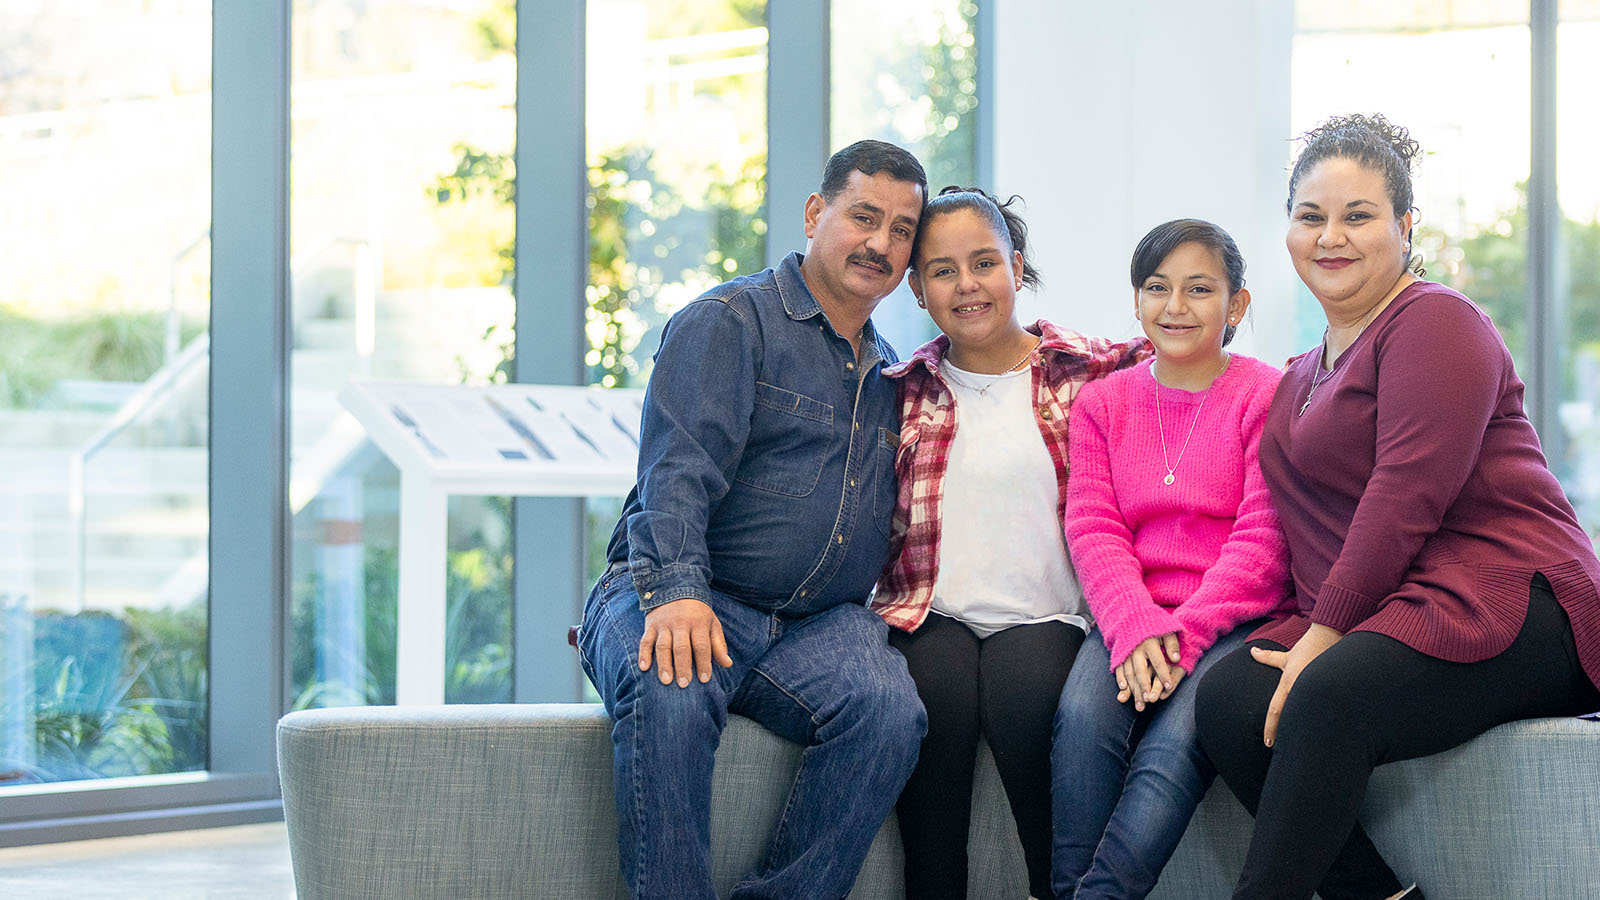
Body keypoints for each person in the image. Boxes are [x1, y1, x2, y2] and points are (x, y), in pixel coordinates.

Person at [1192, 113, 1600, 900]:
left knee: (1329, 692)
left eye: (1358, 215)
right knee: (1231, 697)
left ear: (1406, 226)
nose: (1330, 236)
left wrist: (1327, 635)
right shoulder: (1301, 372)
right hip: (1403, 599)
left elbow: (1403, 495)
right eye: (1310, 216)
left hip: (1519, 597)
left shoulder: (1438, 322)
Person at [576, 139, 930, 900]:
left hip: (809, 630)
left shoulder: (891, 371)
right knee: (669, 686)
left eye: (902, 230)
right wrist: (674, 593)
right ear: (815, 212)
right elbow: (673, 478)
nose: (880, 243)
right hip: (683, 588)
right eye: (864, 217)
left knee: (890, 712)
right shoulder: (729, 323)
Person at [871, 186, 1147, 900]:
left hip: (1048, 617)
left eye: (984, 262)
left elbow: (1189, 357)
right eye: (942, 270)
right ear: (918, 289)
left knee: (1030, 706)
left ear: (1016, 267)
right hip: (932, 615)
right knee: (929, 710)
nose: (967, 285)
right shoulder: (897, 393)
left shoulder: (1094, 372)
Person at [1049, 219, 1293, 900]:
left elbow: (1261, 543)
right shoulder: (1102, 402)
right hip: (1131, 614)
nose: (1175, 306)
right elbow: (1093, 527)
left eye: (1199, 289)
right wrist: (1133, 628)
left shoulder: (1264, 396)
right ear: (1136, 301)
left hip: (1232, 620)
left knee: (1173, 746)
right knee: (1081, 722)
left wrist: (1181, 641)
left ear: (1236, 305)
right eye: (1157, 287)